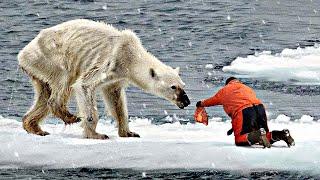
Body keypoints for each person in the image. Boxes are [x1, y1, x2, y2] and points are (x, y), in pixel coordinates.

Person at [196, 77, 295, 148]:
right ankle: (282, 134)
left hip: (243, 111)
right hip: (259, 108)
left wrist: (201, 103)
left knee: (240, 140)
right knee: (265, 135)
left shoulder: (224, 90)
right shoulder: (246, 88)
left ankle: (258, 134)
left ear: (228, 83)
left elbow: (213, 100)